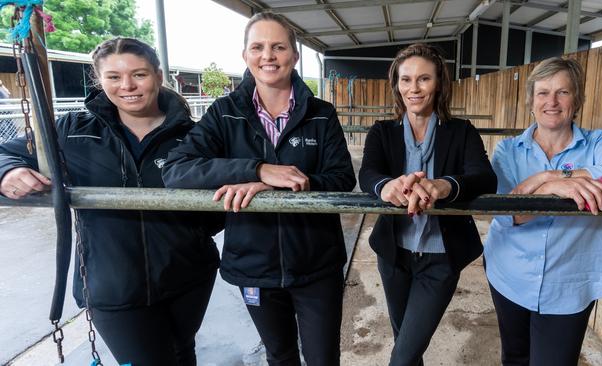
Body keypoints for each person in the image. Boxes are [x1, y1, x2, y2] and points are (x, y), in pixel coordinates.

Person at [0, 37, 223, 365]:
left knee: (182, 351)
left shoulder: (195, 135)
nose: (128, 86)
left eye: (139, 74)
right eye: (114, 77)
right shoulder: (71, 130)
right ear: (99, 80)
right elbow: (6, 151)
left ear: (159, 76)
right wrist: (8, 171)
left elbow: (220, 202)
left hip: (188, 276)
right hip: (111, 285)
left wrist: (195, 231)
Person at [162, 11, 355, 366]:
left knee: (323, 357)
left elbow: (343, 178)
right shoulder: (224, 113)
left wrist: (299, 182)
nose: (268, 55)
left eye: (278, 46)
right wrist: (257, 171)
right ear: (246, 55)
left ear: (294, 56)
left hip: (316, 263)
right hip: (255, 265)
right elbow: (176, 169)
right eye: (258, 47)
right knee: (279, 355)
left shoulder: (321, 114)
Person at [484, 57, 602, 366]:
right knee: (515, 358)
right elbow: (507, 213)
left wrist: (561, 177)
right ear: (531, 101)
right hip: (510, 272)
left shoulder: (600, 142)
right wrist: (547, 184)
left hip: (569, 284)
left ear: (577, 99)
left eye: (563, 92)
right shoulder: (509, 149)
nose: (551, 102)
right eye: (543, 93)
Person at [358, 43, 497, 366]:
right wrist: (387, 186)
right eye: (405, 80)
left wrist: (443, 185)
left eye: (423, 79)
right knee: (406, 345)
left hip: (440, 258)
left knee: (403, 356)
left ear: (439, 84)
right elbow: (368, 173)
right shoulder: (382, 132)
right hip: (394, 256)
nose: (414, 88)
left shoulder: (461, 131)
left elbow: (484, 177)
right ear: (396, 85)